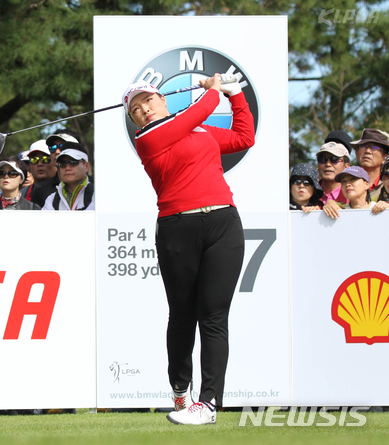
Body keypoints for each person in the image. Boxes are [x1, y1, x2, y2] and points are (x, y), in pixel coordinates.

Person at [122, 73, 254, 425]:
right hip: (177, 227)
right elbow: (200, 111)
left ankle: (208, 403)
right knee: (183, 315)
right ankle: (181, 388)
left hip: (223, 222)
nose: (144, 110)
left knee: (213, 316)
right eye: (135, 109)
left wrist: (236, 94)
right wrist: (214, 91)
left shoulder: (202, 131)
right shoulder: (148, 139)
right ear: (134, 120)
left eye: (148, 100)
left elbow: (245, 137)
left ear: (163, 100)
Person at [42, 146, 94, 210]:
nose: (67, 168)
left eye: (73, 163)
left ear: (86, 166)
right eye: (62, 164)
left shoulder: (98, 195)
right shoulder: (52, 199)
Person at [316, 142, 350, 206]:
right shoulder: (308, 194)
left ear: (346, 167)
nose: (328, 164)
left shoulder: (353, 197)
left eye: (334, 159)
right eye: (323, 159)